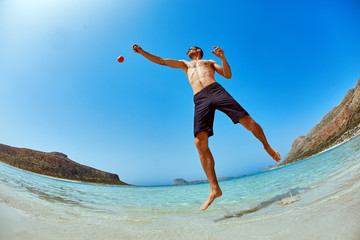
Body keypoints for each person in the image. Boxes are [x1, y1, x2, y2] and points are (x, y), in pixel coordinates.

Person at [132, 44, 281, 210]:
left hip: (216, 90)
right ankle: (214, 188)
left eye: (191, 48)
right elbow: (161, 61)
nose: (187, 50)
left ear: (198, 50)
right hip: (200, 98)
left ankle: (266, 145)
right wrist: (142, 52)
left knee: (246, 120)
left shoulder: (209, 62)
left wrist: (222, 58)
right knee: (199, 141)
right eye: (187, 49)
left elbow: (227, 75)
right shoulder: (184, 64)